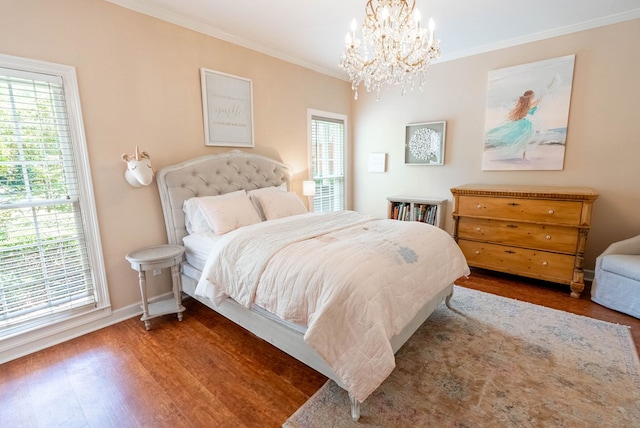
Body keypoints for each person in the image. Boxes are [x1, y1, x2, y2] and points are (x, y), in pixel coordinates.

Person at [485, 90, 541, 160]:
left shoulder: (523, 105)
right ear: (530, 96)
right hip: (526, 124)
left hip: (523, 123)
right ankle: (524, 156)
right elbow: (538, 101)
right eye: (533, 96)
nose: (533, 97)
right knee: (524, 139)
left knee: (522, 138)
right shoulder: (530, 105)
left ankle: (524, 156)